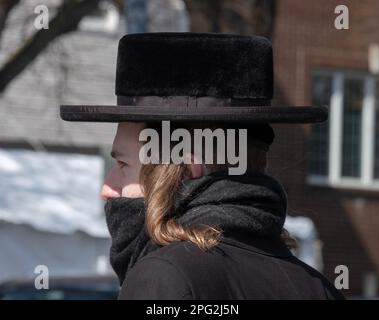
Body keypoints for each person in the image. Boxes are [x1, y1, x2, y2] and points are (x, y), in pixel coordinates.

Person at [60, 32, 344, 300]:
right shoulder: (317, 288)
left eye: (122, 164)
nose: (108, 188)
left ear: (184, 168)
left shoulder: (166, 278)